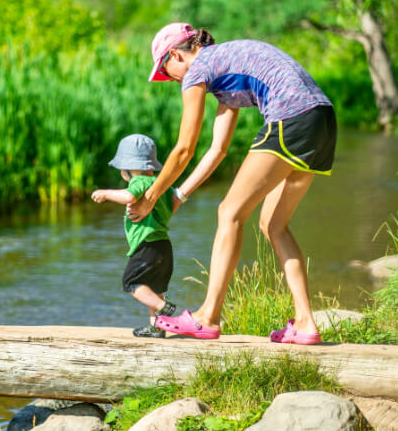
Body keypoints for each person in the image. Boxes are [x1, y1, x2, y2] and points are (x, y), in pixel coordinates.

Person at [126, 23, 337, 344]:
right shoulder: (224, 69)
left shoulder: (199, 71)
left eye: (166, 72)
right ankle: (307, 322)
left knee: (229, 213)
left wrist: (151, 196)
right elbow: (217, 150)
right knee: (273, 224)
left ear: (174, 56)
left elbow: (184, 149)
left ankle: (207, 316)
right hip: (322, 120)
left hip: (291, 116)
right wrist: (178, 194)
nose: (171, 80)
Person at [91, 133, 177, 338]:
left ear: (129, 168)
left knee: (131, 283)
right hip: (163, 245)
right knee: (154, 286)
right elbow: (174, 203)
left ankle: (164, 308)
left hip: (146, 245)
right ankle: (157, 327)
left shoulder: (140, 181)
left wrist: (106, 194)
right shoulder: (162, 186)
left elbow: (129, 196)